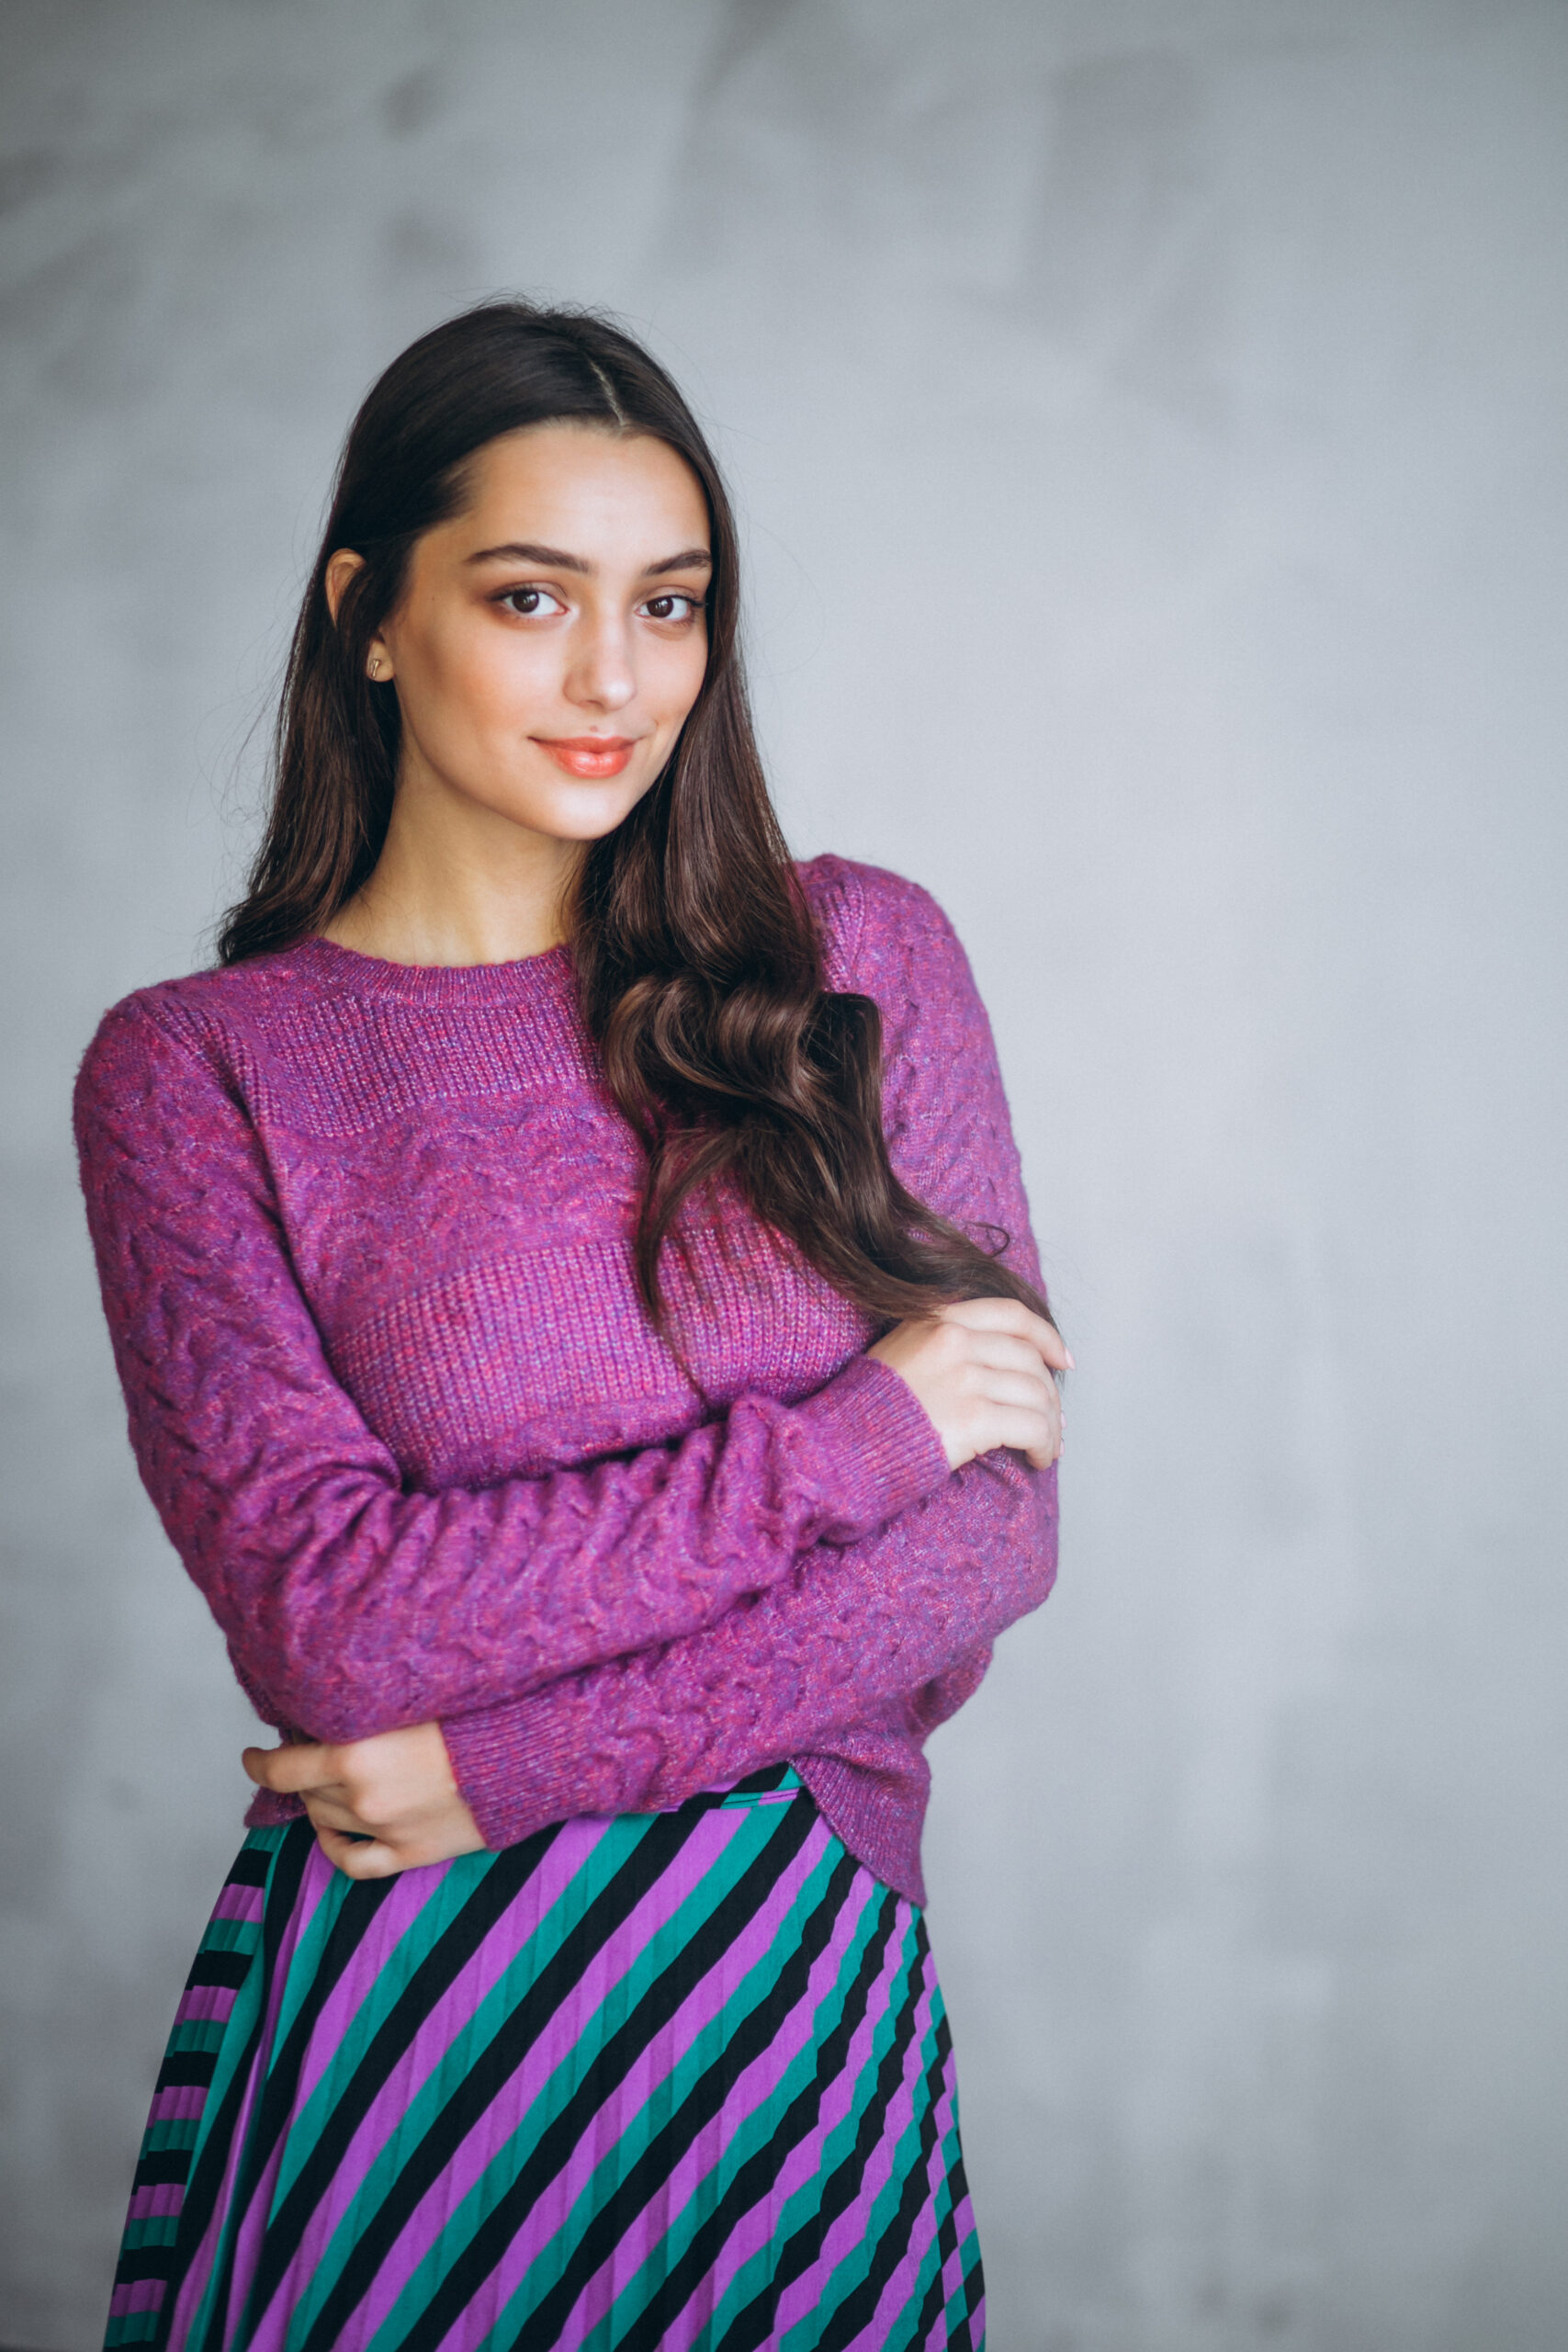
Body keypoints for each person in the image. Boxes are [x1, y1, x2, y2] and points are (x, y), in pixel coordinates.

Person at [74, 300, 1066, 2352]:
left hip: (788, 1985)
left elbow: (996, 1543)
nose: (617, 677)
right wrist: (857, 1435)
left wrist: (513, 1755)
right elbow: (331, 1624)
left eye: (671, 602)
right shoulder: (198, 1070)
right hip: (423, 2008)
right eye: (530, 596)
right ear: (366, 610)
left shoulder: (858, 961)